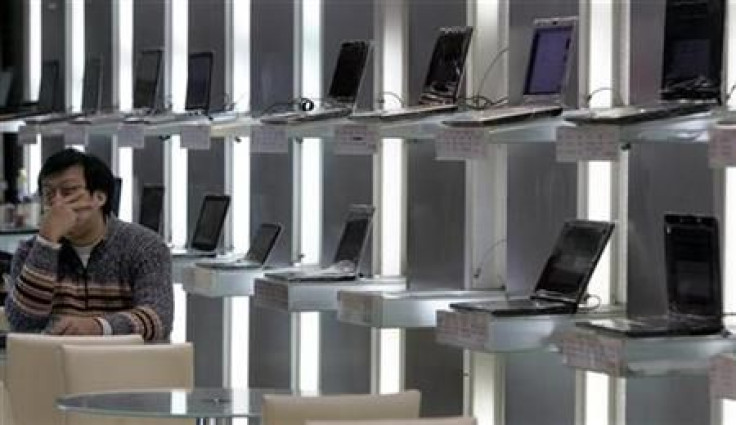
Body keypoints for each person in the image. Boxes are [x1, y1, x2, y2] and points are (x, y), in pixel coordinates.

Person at [4, 148, 172, 341]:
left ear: (99, 197)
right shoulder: (30, 251)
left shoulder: (144, 246)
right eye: (49, 194)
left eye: (69, 191)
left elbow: (159, 318)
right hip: (55, 363)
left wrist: (99, 327)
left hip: (127, 364)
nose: (57, 203)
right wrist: (47, 241)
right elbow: (21, 323)